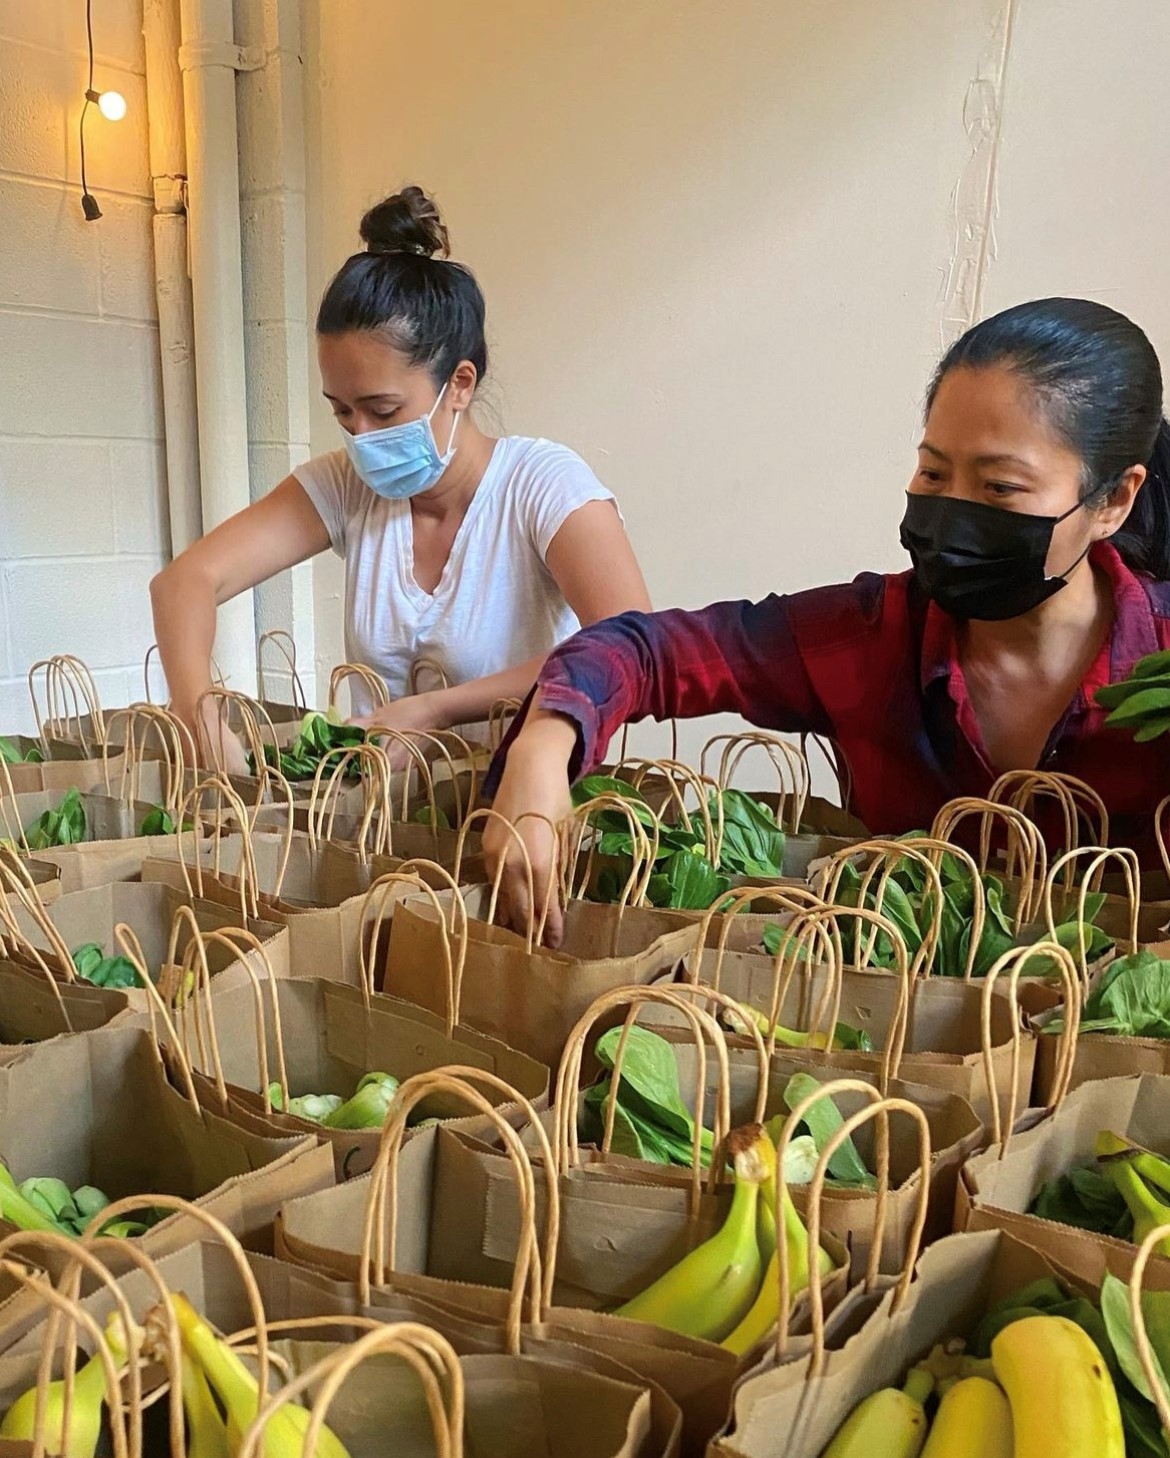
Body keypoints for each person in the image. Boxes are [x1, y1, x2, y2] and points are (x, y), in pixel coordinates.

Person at [485, 297, 1170, 943]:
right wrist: (544, 743)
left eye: (999, 487)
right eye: (933, 475)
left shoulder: (1158, 673)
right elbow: (646, 651)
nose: (954, 510)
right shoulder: (872, 637)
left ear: (1113, 500)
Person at [151, 185, 650, 768]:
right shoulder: (347, 487)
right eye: (341, 411)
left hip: (517, 806)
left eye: (383, 410)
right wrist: (200, 718)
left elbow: (632, 648)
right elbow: (184, 582)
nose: (361, 435)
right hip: (381, 810)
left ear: (459, 384)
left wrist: (436, 709)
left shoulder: (542, 486)